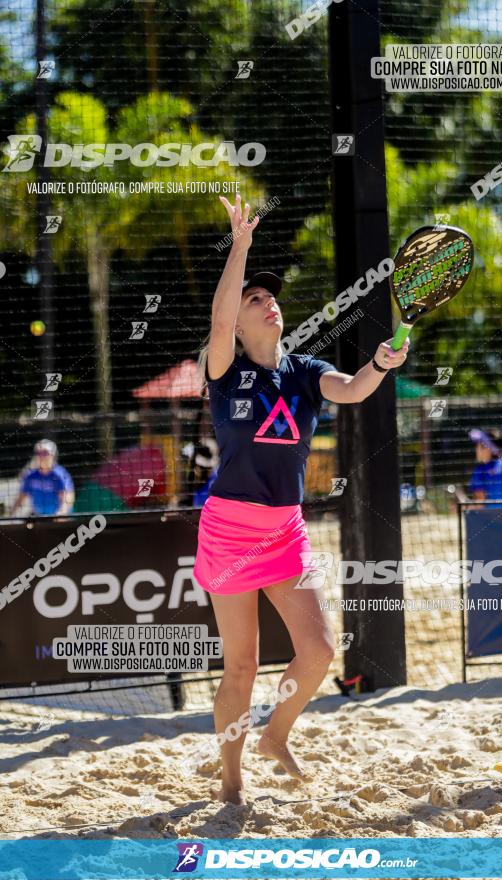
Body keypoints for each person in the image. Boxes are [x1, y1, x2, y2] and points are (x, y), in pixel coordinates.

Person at [193, 194, 410, 805]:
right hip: (230, 529)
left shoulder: (306, 370)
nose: (269, 303)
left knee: (317, 652)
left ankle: (274, 737)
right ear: (236, 322)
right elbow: (216, 318)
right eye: (254, 300)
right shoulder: (225, 369)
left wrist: (382, 363)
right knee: (241, 667)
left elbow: (354, 389)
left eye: (271, 297)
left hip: (283, 529)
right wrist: (240, 243)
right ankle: (232, 780)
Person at [11, 439, 75, 516]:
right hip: (38, 516)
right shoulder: (30, 476)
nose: (41, 456)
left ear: (53, 455)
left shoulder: (59, 475)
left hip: (57, 517)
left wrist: (60, 514)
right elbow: (21, 498)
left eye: (45, 453)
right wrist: (11, 514)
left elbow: (68, 499)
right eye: (38, 453)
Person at [468, 429, 502, 509]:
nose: (477, 450)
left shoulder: (481, 470)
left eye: (482, 447)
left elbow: (480, 504)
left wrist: (466, 508)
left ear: (492, 450)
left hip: (491, 518)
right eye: (477, 446)